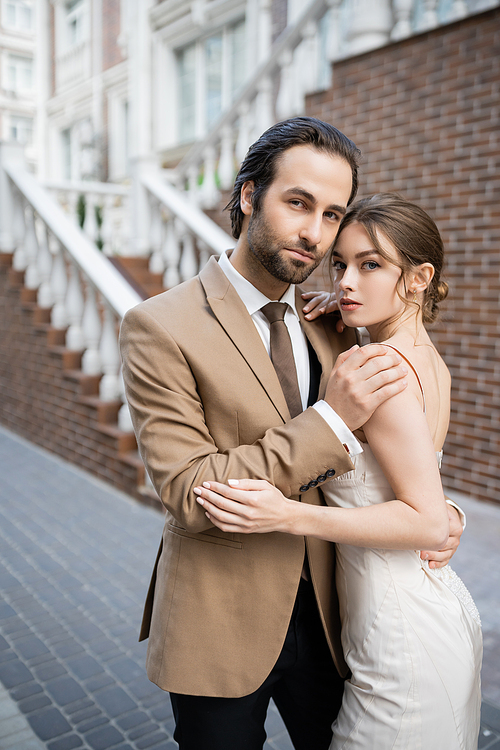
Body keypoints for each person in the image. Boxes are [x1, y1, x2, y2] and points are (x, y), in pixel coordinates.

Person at [119, 118, 464, 750]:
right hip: (219, 620)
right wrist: (329, 421)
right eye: (298, 203)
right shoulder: (159, 326)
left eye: (333, 215)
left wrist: (436, 509)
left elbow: (395, 447)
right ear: (250, 195)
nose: (314, 233)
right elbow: (191, 491)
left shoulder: (335, 319)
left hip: (339, 618)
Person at [194, 193, 482, 749]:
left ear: (420, 277)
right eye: (341, 264)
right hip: (424, 606)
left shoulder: (378, 368)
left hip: (398, 635)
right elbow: (422, 488)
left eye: (370, 265)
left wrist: (287, 513)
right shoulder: (423, 357)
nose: (347, 281)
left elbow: (424, 522)